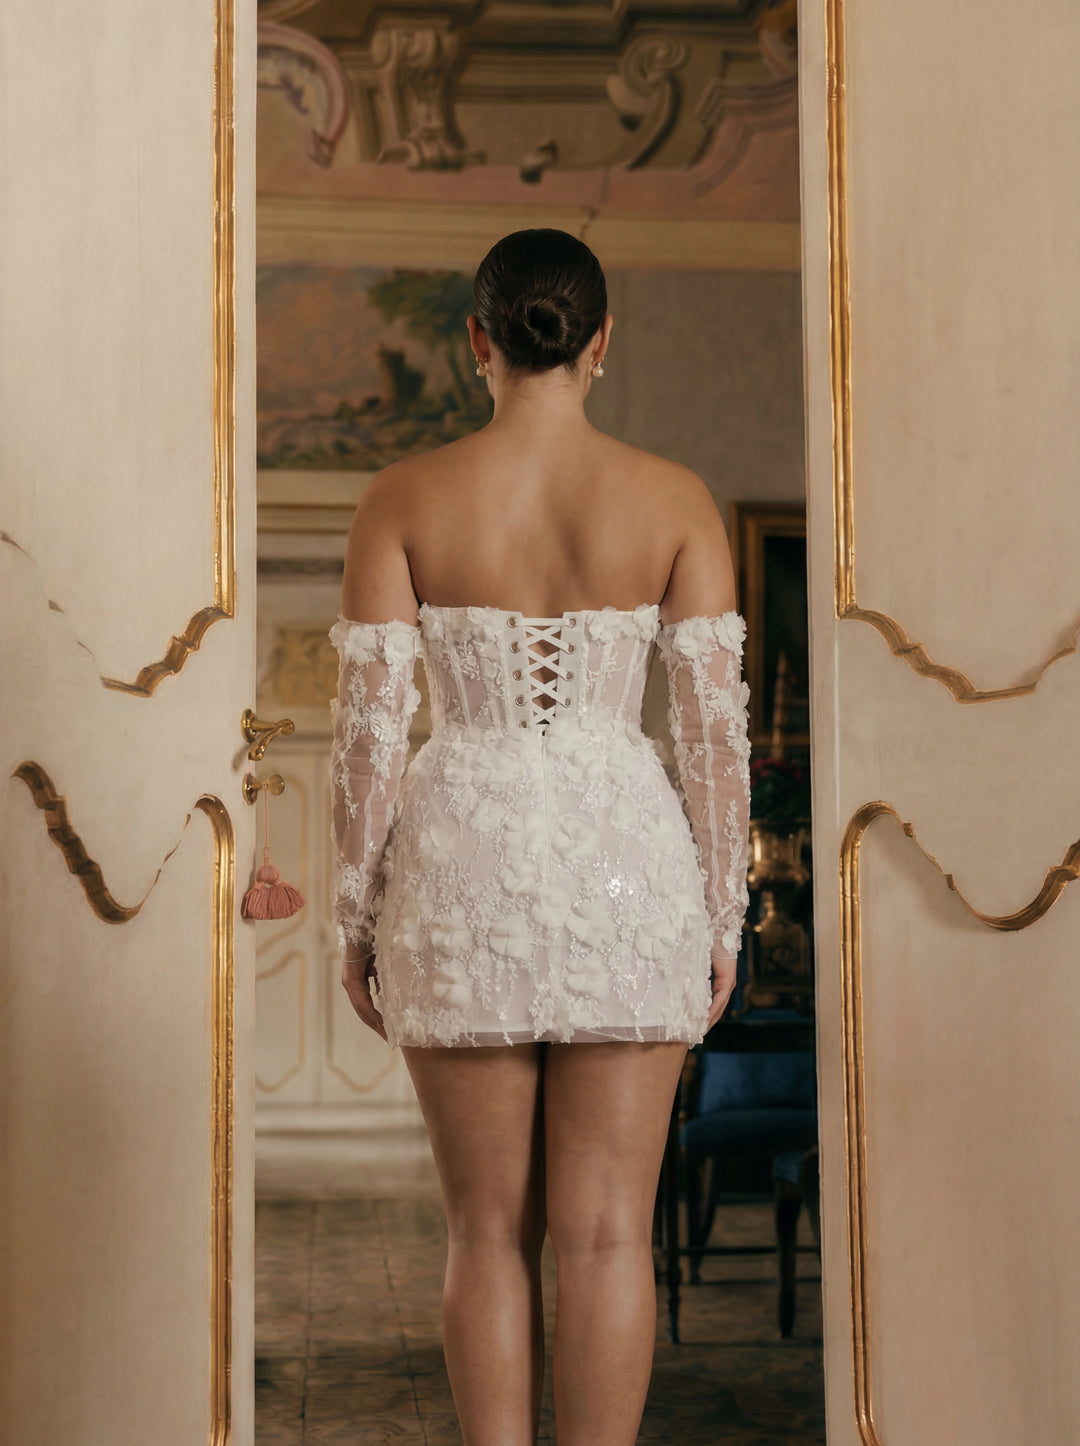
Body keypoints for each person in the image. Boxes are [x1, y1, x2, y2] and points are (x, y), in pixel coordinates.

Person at [328, 228, 751, 1446]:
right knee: (612, 1234)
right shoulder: (673, 498)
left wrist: (356, 919)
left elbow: (367, 736)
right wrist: (720, 921)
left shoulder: (404, 496)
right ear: (601, 343)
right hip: (631, 873)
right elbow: (713, 740)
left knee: (483, 1235)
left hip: (461, 868)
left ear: (478, 341)